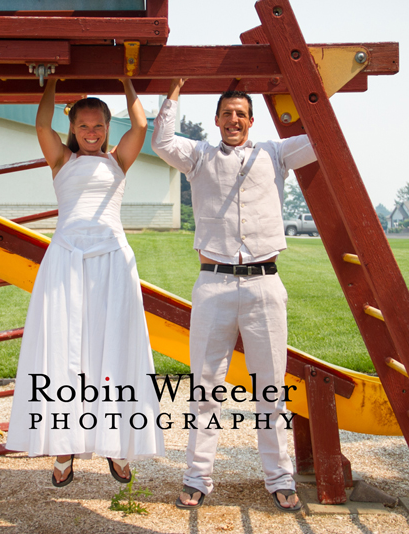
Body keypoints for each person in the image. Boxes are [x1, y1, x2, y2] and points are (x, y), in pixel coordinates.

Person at [151, 79, 317, 512]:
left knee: (270, 387)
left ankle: (279, 477)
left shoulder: (276, 153)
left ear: (251, 119)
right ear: (217, 119)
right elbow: (161, 140)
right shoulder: (200, 156)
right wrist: (176, 87)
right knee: (205, 387)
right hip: (214, 282)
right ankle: (197, 477)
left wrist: (310, 91)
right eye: (227, 113)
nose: (234, 120)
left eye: (241, 113)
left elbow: (321, 138)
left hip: (265, 282)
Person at [7, 78, 164, 487]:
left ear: (107, 129)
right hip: (66, 260)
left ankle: (115, 443)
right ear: (72, 130)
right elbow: (43, 126)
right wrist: (52, 83)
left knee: (113, 345)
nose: (91, 133)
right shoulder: (62, 161)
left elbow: (141, 126)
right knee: (64, 349)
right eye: (83, 127)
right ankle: (64, 445)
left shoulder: (118, 161)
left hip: (112, 260)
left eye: (98, 127)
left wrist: (127, 82)